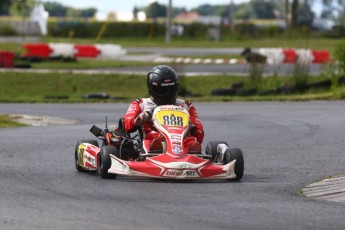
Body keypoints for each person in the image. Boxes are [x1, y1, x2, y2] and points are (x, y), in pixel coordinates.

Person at [123, 65, 204, 154]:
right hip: (153, 141)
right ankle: (153, 155)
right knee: (150, 143)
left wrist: (192, 128)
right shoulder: (141, 104)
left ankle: (194, 156)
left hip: (181, 142)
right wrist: (142, 118)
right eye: (162, 90)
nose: (167, 93)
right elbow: (127, 125)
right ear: (152, 88)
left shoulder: (185, 106)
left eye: (171, 89)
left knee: (192, 142)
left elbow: (200, 135)